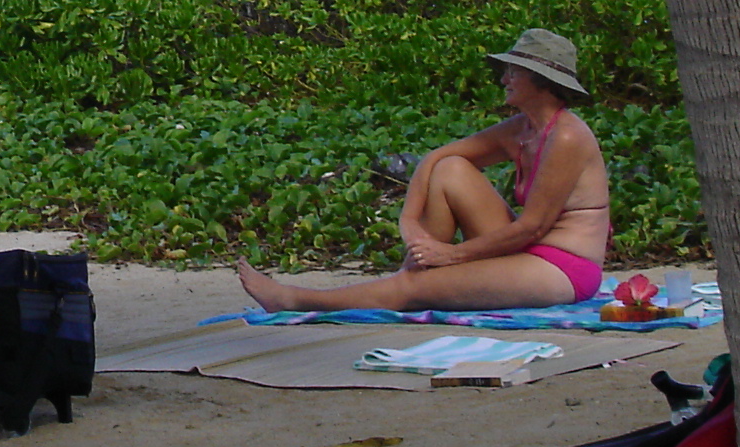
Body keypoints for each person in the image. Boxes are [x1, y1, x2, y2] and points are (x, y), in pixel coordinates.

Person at [234, 28, 612, 313]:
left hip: (563, 268)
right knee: (450, 169)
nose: (503, 80)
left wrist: (453, 256)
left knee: (422, 284)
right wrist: (411, 223)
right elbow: (436, 158)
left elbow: (534, 227)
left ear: (541, 82)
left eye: (513, 73)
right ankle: (414, 273)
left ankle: (300, 301)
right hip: (527, 250)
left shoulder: (566, 137)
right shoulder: (522, 127)